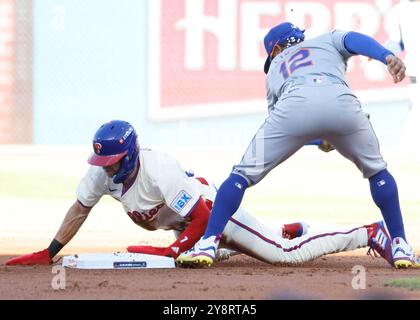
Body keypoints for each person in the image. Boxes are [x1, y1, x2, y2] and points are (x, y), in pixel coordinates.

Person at [177, 22, 420, 269]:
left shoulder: (273, 72)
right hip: (342, 105)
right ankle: (400, 245)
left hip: (293, 107)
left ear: (275, 51)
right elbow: (355, 40)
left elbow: (287, 127)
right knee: (378, 172)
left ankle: (208, 242)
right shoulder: (327, 40)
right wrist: (386, 56)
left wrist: (318, 140)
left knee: (240, 176)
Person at [6, 120, 390, 267]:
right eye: (102, 161)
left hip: (213, 211)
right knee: (220, 255)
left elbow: (205, 217)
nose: (106, 167)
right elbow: (79, 209)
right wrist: (50, 251)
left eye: (113, 160)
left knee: (283, 257)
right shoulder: (101, 174)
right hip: (185, 222)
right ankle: (287, 227)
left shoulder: (160, 170)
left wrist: (174, 251)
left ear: (131, 154)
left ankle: (368, 232)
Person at [384, 0, 420, 160]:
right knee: (412, 138)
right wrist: (378, 52)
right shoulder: (399, 10)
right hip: (416, 79)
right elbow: (397, 43)